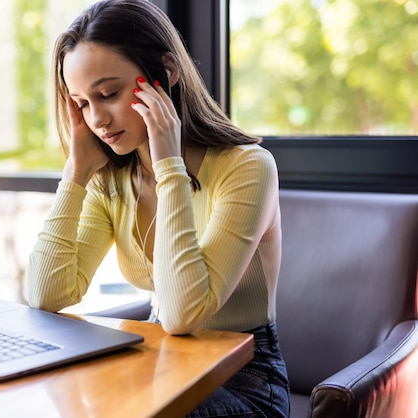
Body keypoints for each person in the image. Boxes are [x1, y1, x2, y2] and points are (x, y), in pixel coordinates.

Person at [26, 0, 290, 416]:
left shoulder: (247, 168)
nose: (96, 119)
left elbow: (184, 313)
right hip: (160, 362)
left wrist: (169, 166)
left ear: (166, 72)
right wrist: (75, 175)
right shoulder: (112, 180)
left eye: (108, 94)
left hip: (245, 378)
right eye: (81, 103)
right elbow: (47, 294)